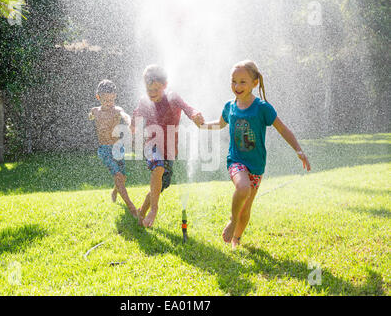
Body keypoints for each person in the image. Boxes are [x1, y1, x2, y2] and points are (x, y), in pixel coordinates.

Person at [199, 60, 311, 249]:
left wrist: (299, 150)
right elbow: (219, 124)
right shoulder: (230, 106)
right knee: (243, 188)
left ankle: (237, 237)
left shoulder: (262, 107)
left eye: (243, 81)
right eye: (234, 81)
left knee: (246, 208)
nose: (237, 86)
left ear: (254, 83)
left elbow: (283, 129)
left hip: (256, 165)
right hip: (236, 161)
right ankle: (232, 222)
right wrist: (201, 125)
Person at [130, 65, 205, 227]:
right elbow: (136, 115)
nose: (152, 93)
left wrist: (195, 114)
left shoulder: (172, 97)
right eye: (148, 89)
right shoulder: (144, 101)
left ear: (165, 85)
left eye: (156, 89)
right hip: (151, 144)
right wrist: (133, 128)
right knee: (158, 167)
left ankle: (141, 213)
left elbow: (187, 108)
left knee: (160, 186)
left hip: (170, 150)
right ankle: (154, 210)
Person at [89, 79, 137, 218]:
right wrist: (90, 116)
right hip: (104, 150)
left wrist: (129, 123)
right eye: (105, 100)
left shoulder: (117, 110)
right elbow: (91, 114)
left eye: (111, 99)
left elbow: (125, 116)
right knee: (118, 175)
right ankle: (131, 207)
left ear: (115, 96)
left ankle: (115, 191)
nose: (109, 103)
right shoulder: (95, 111)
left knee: (123, 177)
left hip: (117, 148)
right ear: (98, 97)